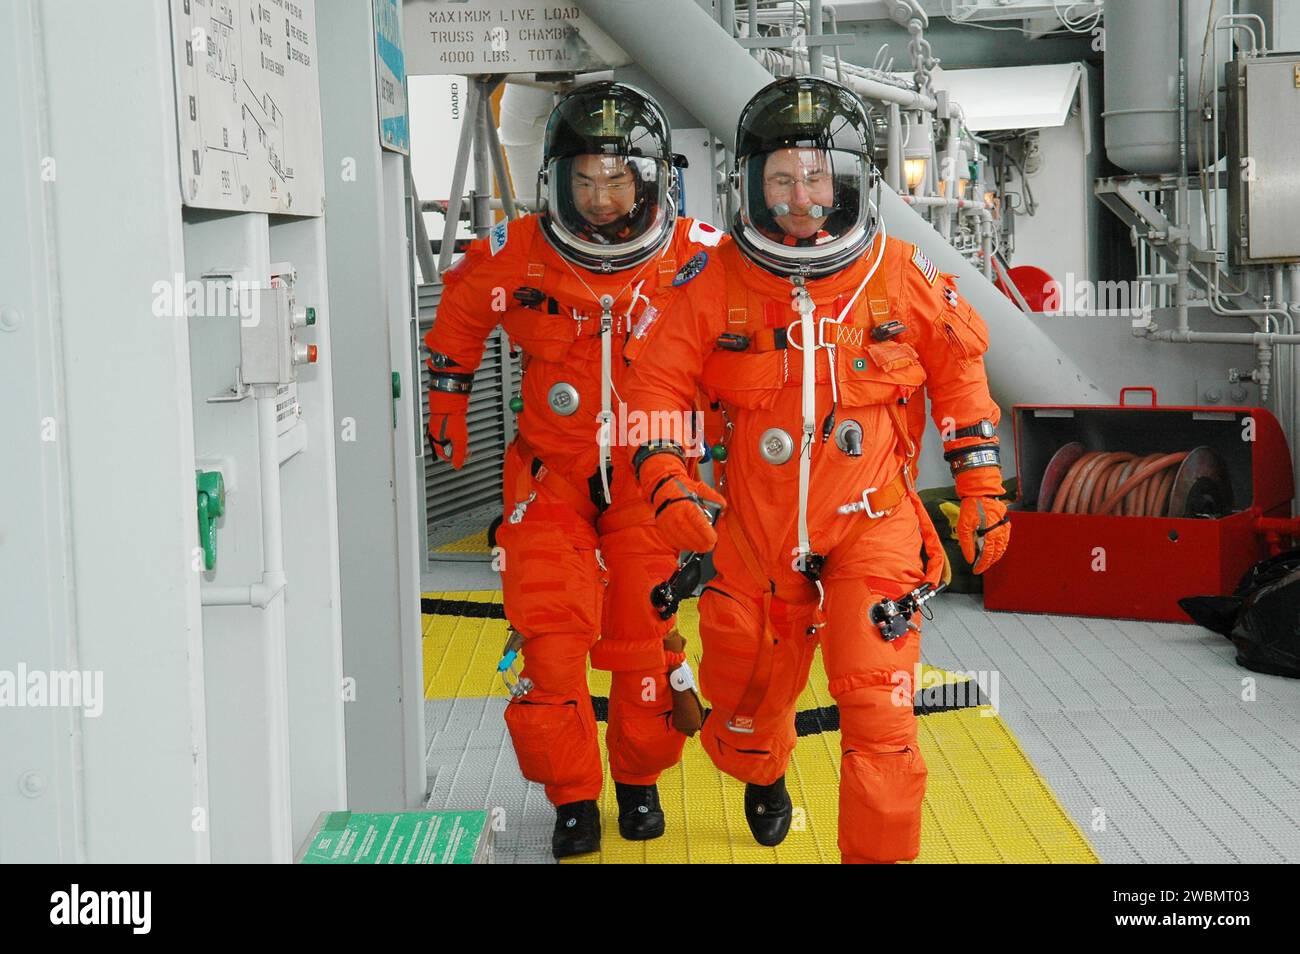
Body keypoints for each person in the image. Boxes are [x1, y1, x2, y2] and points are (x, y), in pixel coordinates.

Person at [622, 76, 1011, 863]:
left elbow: (961, 379)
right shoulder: (716, 281)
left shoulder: (899, 274)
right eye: (781, 178)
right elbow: (654, 381)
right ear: (752, 186)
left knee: (880, 710)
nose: (800, 196)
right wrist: (666, 476)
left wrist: (982, 490)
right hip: (753, 530)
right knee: (741, 695)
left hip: (873, 525)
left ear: (849, 180)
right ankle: (761, 773)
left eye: (815, 176)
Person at [424, 81, 722, 859]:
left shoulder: (700, 257)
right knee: (550, 652)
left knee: (642, 645)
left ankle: (639, 781)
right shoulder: (519, 252)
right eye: (584, 179)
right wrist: (448, 392)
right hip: (550, 480)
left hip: (649, 483)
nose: (598, 197)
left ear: (650, 179)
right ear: (557, 180)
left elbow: (759, 339)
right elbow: (460, 307)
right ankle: (572, 800)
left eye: (616, 179)